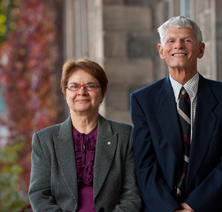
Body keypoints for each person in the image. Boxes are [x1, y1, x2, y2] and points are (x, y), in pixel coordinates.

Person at [130, 16, 222, 212]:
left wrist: (194, 206)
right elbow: (145, 165)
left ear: (201, 49)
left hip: (215, 207)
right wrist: (171, 209)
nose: (179, 46)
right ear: (161, 51)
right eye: (171, 41)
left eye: (187, 40)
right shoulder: (143, 101)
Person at [29, 58, 141, 212]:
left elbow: (132, 195)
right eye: (74, 86)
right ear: (65, 92)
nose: (82, 92)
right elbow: (39, 195)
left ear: (103, 93)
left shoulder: (125, 136)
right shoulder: (44, 141)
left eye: (90, 86)